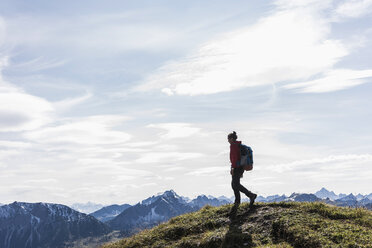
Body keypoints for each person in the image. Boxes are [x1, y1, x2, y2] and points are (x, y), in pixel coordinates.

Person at [228, 131, 257, 208]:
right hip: (240, 167)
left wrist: (233, 168)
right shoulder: (238, 145)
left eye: (228, 139)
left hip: (237, 167)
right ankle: (237, 201)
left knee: (236, 184)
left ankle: (251, 195)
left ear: (231, 139)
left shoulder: (233, 145)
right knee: (234, 184)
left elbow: (234, 158)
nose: (227, 140)